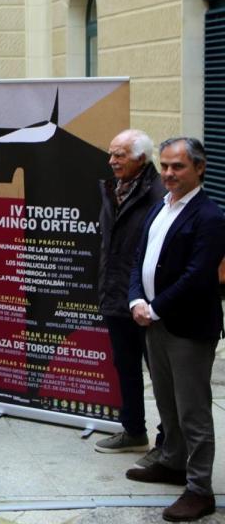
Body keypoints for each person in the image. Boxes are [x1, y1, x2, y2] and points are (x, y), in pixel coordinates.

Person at [125, 137, 225, 522]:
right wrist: (136, 299)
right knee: (166, 404)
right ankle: (172, 462)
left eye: (178, 167)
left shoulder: (210, 216)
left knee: (193, 412)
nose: (168, 173)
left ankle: (200, 490)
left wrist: (155, 307)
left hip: (186, 328)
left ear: (199, 168)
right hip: (153, 321)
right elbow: (140, 258)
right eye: (164, 166)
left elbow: (198, 276)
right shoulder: (160, 207)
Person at [94, 130, 165, 460]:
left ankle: (169, 442)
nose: (112, 161)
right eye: (111, 154)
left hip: (148, 302)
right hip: (115, 294)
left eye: (119, 155)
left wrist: (152, 300)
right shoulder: (112, 189)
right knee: (125, 366)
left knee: (162, 374)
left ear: (141, 158)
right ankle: (134, 431)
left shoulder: (160, 194)